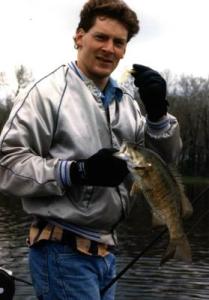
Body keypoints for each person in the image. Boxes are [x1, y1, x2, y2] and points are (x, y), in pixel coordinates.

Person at [0, 0, 182, 299]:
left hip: (106, 253)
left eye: (119, 42)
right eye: (101, 37)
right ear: (79, 36)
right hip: (61, 251)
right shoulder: (46, 93)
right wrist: (76, 171)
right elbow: (7, 165)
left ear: (125, 50)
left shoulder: (127, 101)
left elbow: (163, 163)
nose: (109, 48)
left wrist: (159, 116)